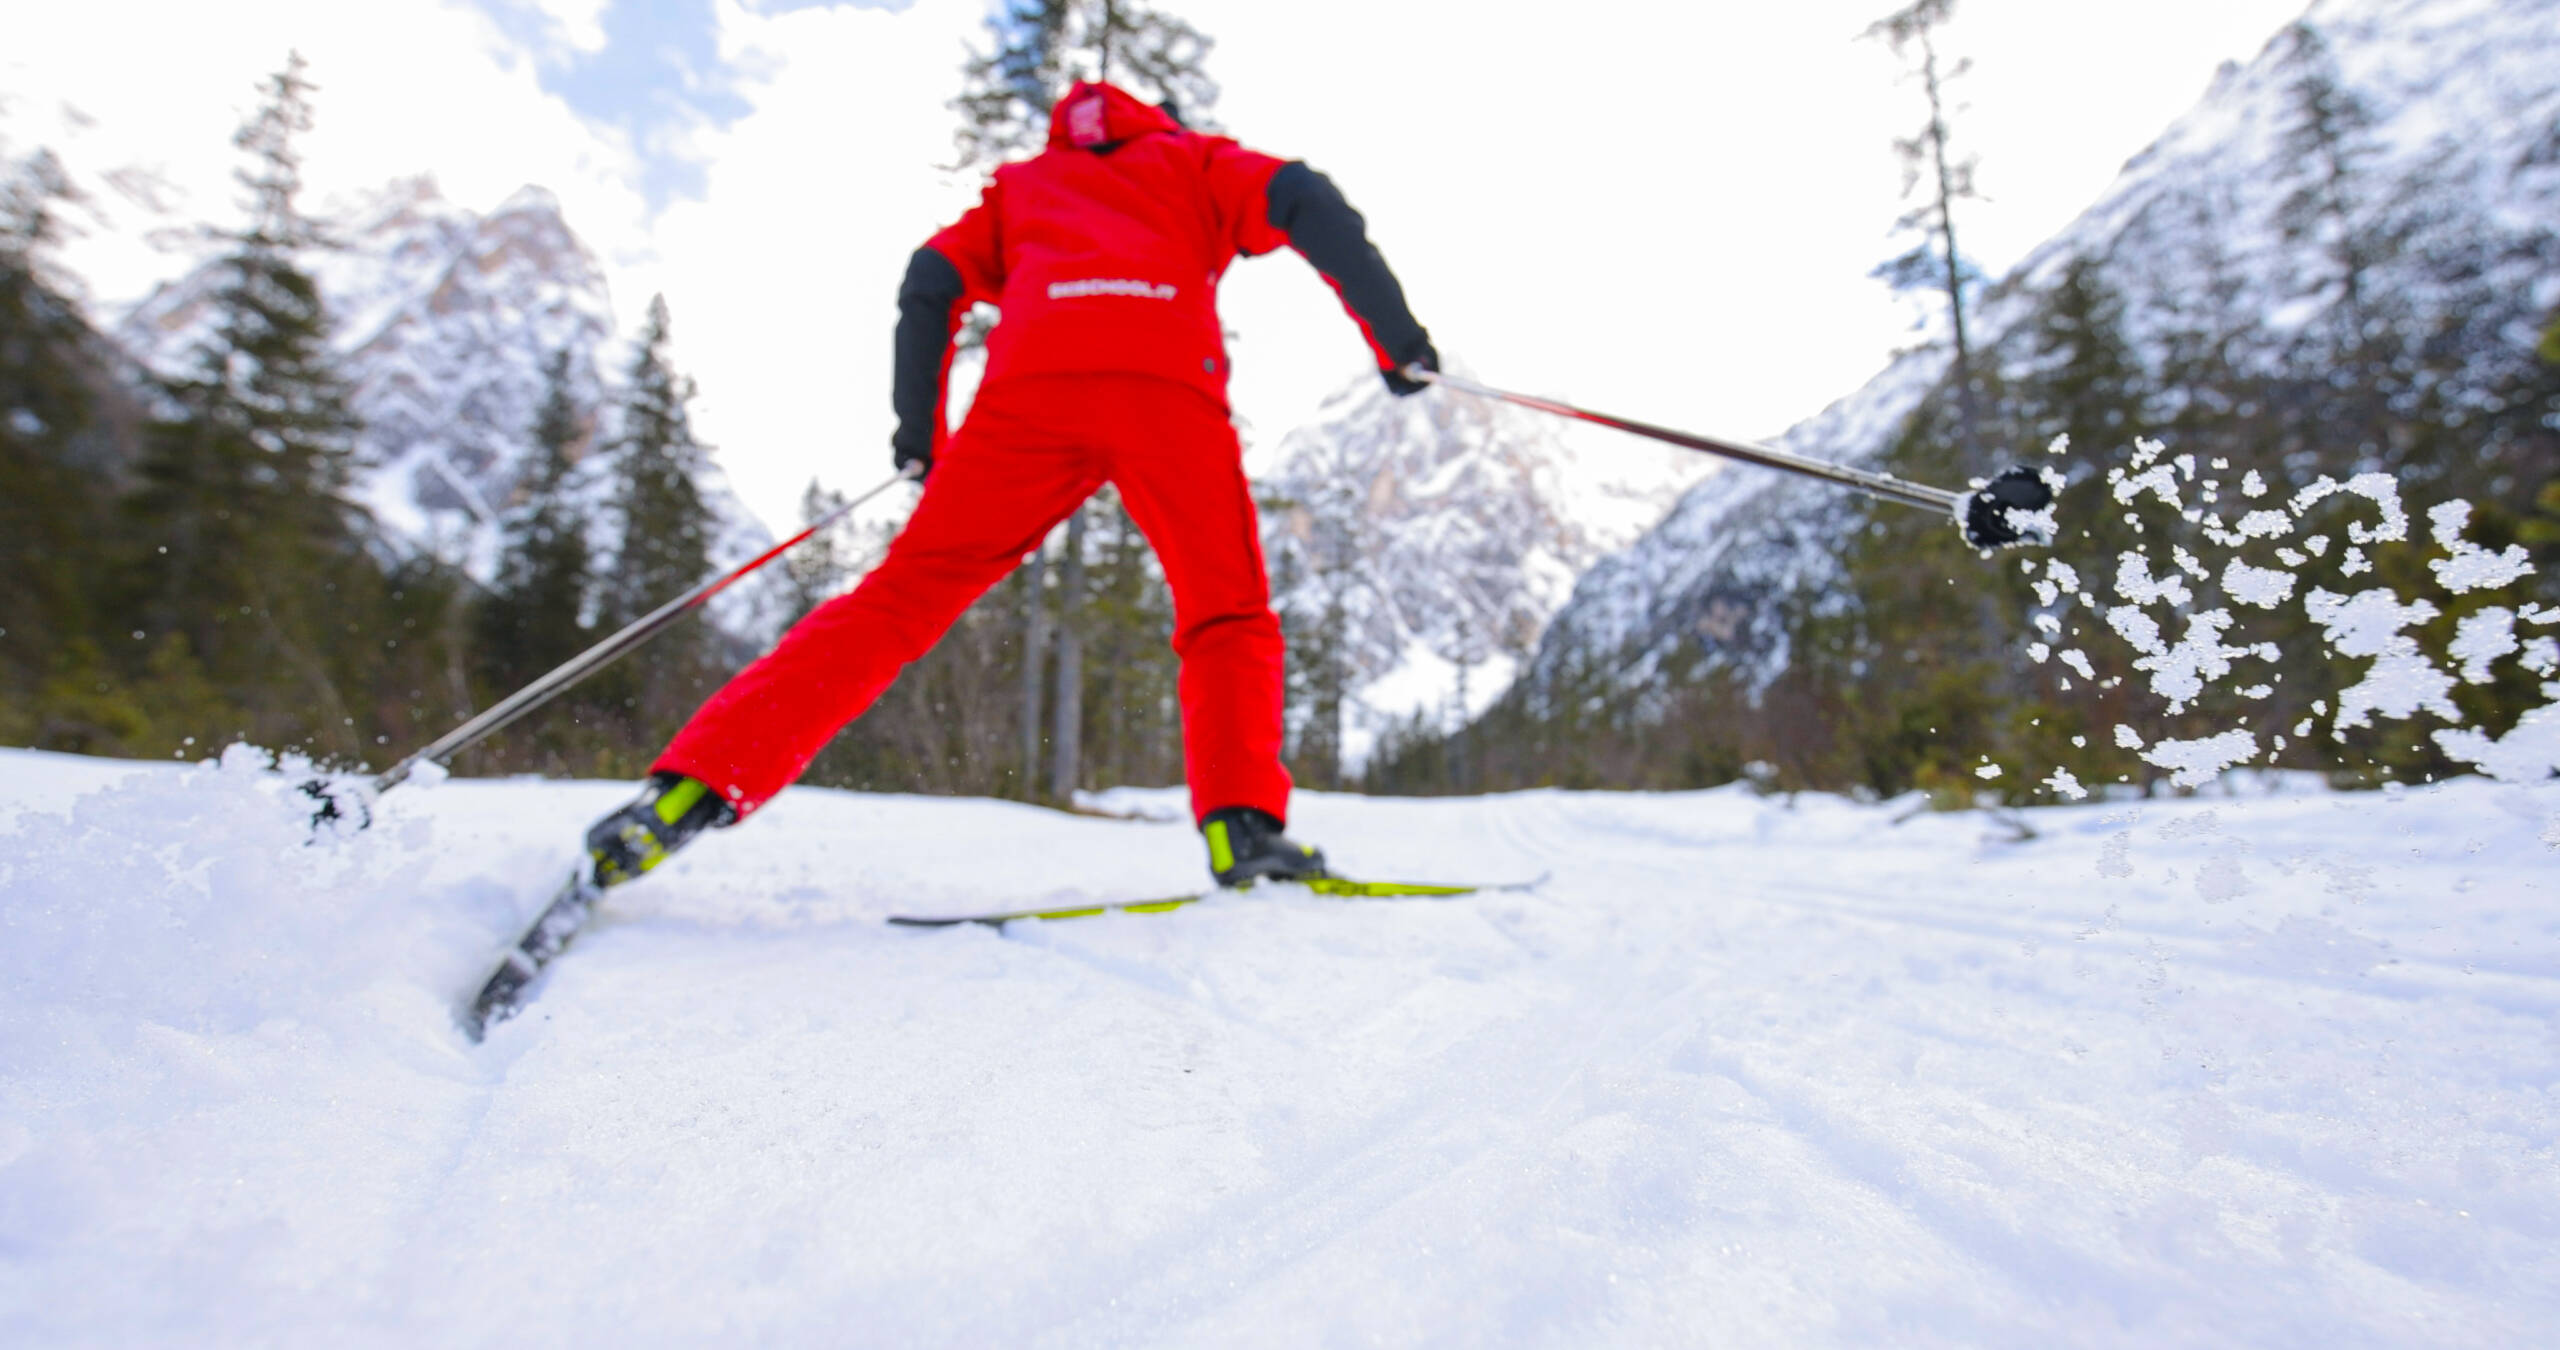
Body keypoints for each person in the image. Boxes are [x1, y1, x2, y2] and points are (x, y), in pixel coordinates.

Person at [581, 80, 1437, 894]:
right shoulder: (1195, 160)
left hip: (1030, 400)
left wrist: (921, 435)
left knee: (897, 601)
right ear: (1161, 120)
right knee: (1225, 612)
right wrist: (1394, 340)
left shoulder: (1026, 186)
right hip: (1165, 394)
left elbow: (930, 281)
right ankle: (1242, 831)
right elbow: (1303, 198)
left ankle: (690, 789)